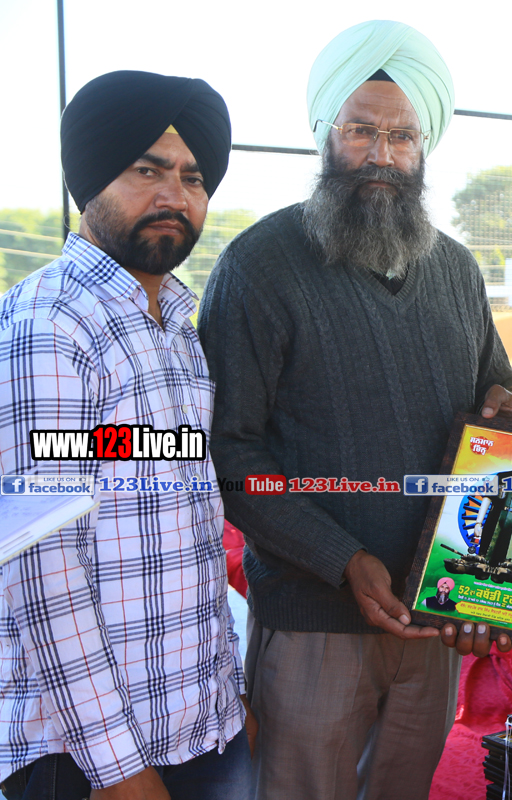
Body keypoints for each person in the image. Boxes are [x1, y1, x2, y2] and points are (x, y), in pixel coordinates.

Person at [198, 20, 512, 800]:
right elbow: (230, 451)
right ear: (325, 135)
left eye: (402, 136)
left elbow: (494, 402)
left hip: (434, 624)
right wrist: (342, 559)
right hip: (312, 627)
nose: (382, 154)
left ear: (424, 147)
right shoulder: (258, 266)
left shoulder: (457, 271)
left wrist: (506, 412)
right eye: (360, 131)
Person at [0, 71, 251, 799]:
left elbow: (187, 533)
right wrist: (121, 774)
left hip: (196, 730)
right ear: (91, 181)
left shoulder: (175, 326)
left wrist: (228, 701)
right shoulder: (50, 324)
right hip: (86, 761)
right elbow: (41, 567)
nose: (175, 195)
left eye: (194, 177)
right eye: (148, 170)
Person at [469, 445, 512, 568]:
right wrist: (478, 523)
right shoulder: (500, 477)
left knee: (506, 558)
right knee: (485, 553)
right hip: (495, 516)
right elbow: (487, 498)